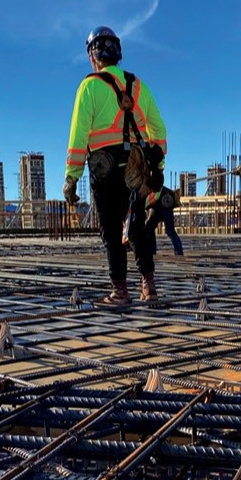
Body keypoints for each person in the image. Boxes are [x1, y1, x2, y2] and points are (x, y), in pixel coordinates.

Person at [63, 26, 167, 304]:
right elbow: (158, 129)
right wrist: (158, 166)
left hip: (105, 167)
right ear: (118, 54)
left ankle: (120, 292)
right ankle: (149, 287)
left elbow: (78, 135)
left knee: (111, 229)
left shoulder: (90, 86)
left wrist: (71, 177)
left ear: (92, 57)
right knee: (137, 225)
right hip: (136, 166)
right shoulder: (138, 86)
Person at [145, 186, 184, 256]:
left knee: (149, 228)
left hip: (158, 207)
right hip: (166, 207)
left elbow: (147, 202)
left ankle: (152, 251)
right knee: (171, 231)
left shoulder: (149, 189)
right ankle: (179, 251)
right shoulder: (165, 190)